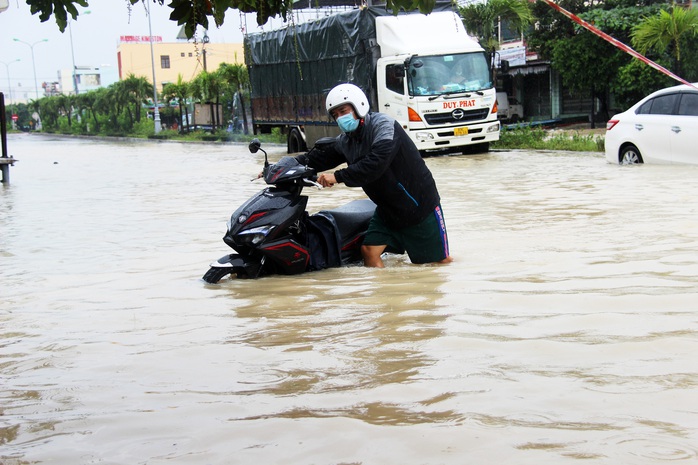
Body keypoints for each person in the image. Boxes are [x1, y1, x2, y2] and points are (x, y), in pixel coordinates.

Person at [295, 83, 453, 268]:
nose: (340, 118)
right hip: (388, 210)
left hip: (419, 207)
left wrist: (338, 177)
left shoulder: (384, 127)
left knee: (439, 264)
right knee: (369, 251)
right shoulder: (347, 141)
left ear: (358, 106)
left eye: (343, 111)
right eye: (335, 115)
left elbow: (376, 163)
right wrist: (282, 166)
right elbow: (318, 158)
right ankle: (386, 295)